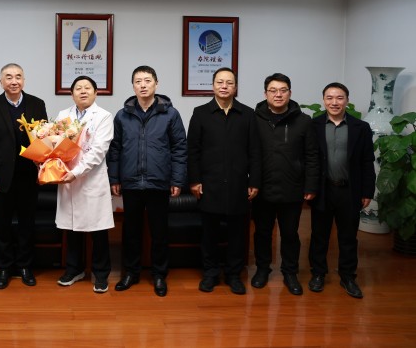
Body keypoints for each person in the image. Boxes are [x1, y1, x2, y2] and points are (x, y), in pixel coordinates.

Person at [107, 65, 187, 297]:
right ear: (133, 86)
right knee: (131, 231)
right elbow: (115, 149)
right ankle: (130, 273)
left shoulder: (170, 114)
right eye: (138, 81)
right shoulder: (123, 115)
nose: (143, 85)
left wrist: (177, 180)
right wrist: (115, 178)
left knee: (159, 232)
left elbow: (179, 148)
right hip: (131, 182)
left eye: (147, 80)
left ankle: (159, 275)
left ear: (156, 84)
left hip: (159, 181)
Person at [188, 67, 261, 295]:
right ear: (213, 86)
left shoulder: (248, 114)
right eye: (220, 82)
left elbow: (255, 151)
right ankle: (210, 274)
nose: (224, 86)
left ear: (235, 87)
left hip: (239, 184)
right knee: (209, 234)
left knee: (238, 234)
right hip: (209, 184)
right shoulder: (200, 113)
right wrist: (194, 180)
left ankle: (233, 275)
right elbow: (193, 151)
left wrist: (254, 181)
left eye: (229, 82)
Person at [0, 63, 48, 289]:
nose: (14, 81)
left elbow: (46, 139)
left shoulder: (37, 104)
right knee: (2, 225)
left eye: (18, 76)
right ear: (1, 82)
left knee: (27, 223)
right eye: (8, 77)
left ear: (24, 80)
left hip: (29, 175)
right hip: (1, 178)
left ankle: (26, 266)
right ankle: (4, 268)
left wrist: (43, 168)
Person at [252, 73, 320, 295]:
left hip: (292, 188)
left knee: (290, 234)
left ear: (290, 93)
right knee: (262, 232)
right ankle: (262, 269)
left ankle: (290, 272)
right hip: (262, 188)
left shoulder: (304, 121)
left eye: (283, 90)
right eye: (273, 90)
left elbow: (312, 156)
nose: (278, 95)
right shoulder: (254, 119)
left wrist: (310, 186)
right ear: (265, 94)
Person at [308, 82, 375, 299]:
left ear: (347, 100)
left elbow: (367, 161)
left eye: (339, 98)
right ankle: (318, 273)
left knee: (348, 237)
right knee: (319, 235)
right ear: (323, 100)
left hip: (349, 191)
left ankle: (348, 276)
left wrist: (367, 191)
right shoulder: (314, 125)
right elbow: (308, 159)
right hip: (323, 190)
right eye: (329, 98)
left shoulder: (360, 128)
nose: (334, 102)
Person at [55, 76, 114, 293]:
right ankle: (74, 269)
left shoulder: (104, 116)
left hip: (92, 180)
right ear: (72, 94)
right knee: (72, 229)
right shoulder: (63, 116)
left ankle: (101, 274)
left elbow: (98, 151)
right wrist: (47, 163)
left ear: (96, 93)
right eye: (78, 88)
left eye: (87, 88)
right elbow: (55, 145)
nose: (83, 91)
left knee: (98, 230)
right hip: (68, 180)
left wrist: (76, 172)